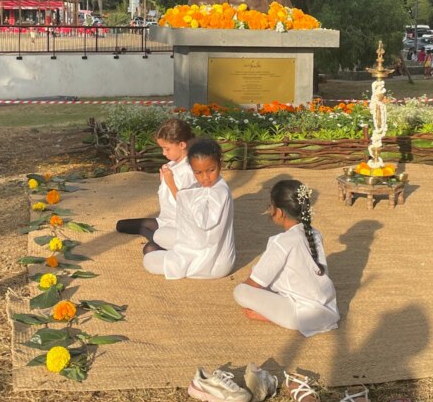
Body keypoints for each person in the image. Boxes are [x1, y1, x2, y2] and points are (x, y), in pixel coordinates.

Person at [233, 180, 339, 337]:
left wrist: (251, 283)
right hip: (328, 310)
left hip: (302, 315)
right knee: (257, 270)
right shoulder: (315, 234)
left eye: (271, 205)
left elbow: (252, 284)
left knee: (240, 292)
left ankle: (271, 316)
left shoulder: (281, 242)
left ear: (280, 212)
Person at [143, 138, 236, 280]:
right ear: (192, 170)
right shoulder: (211, 185)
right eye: (198, 172)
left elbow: (202, 223)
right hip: (197, 242)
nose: (205, 177)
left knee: (149, 258)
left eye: (211, 170)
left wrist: (171, 183)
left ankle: (176, 257)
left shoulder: (219, 192)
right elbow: (186, 201)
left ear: (220, 164)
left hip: (210, 262)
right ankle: (170, 251)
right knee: (159, 234)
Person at [115, 119, 197, 254]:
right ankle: (150, 233)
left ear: (182, 144)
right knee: (121, 225)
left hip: (180, 225)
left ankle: (158, 239)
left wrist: (170, 182)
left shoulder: (189, 170)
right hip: (165, 220)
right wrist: (162, 182)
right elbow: (167, 197)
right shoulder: (172, 164)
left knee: (149, 249)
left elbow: (187, 205)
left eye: (167, 149)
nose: (164, 153)